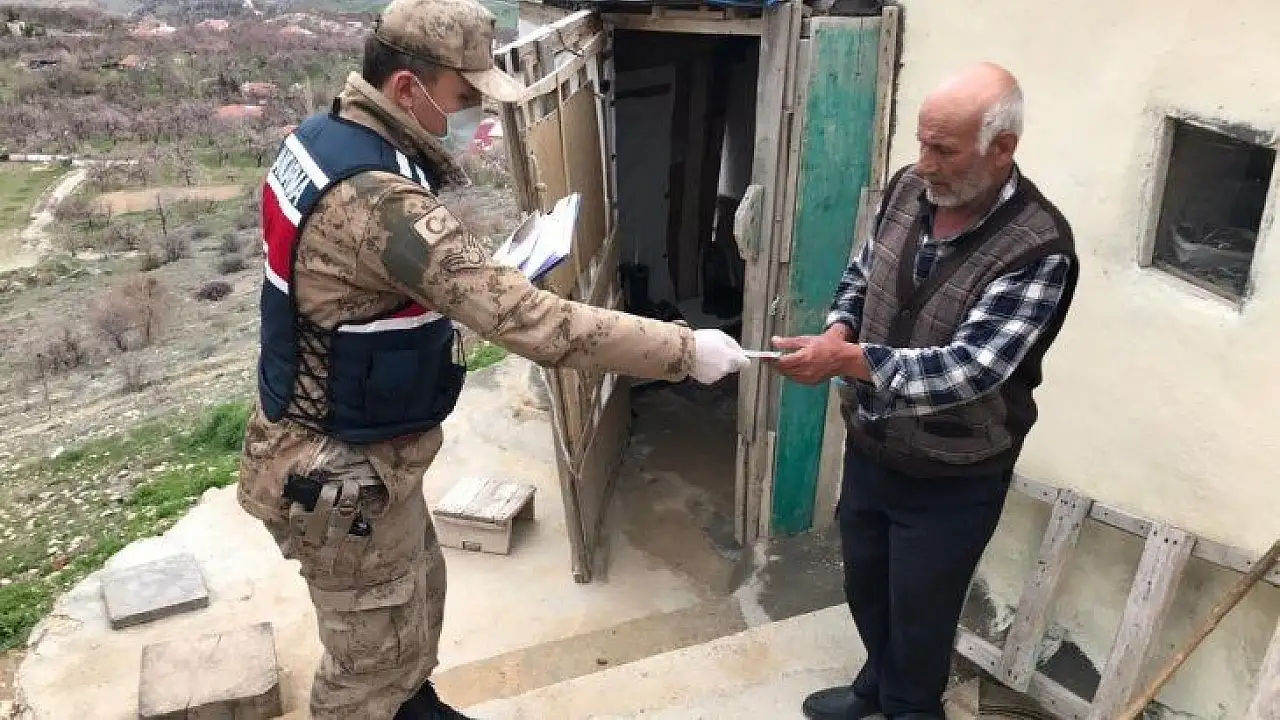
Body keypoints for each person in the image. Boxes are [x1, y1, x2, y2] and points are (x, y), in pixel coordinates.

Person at [234, 0, 750, 717]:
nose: (471, 112)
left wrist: (476, 280)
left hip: (364, 453)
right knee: (366, 672)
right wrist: (683, 349)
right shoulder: (378, 200)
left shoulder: (325, 140)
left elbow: (367, 284)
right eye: (463, 95)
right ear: (407, 88)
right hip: (337, 472)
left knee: (414, 606)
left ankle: (414, 703)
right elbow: (535, 324)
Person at [769, 63, 1079, 720]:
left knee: (922, 614)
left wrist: (848, 360)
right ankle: (875, 687)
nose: (925, 163)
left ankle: (911, 707)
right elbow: (862, 273)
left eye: (945, 149)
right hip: (873, 448)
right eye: (922, 142)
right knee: (867, 588)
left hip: (953, 474)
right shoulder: (911, 188)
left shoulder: (1039, 247)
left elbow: (970, 370)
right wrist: (839, 328)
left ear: (1003, 147)